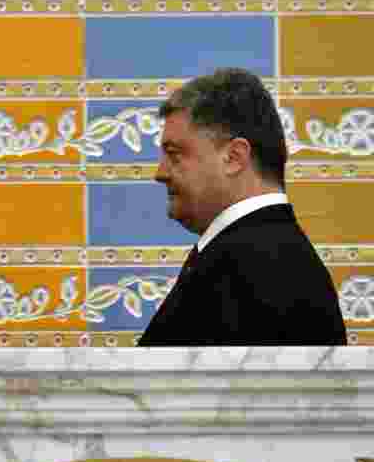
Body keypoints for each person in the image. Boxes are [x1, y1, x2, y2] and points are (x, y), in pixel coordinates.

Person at [139, 68, 346, 346]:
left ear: (234, 157)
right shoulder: (263, 255)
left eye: (174, 154)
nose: (160, 172)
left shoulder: (253, 266)